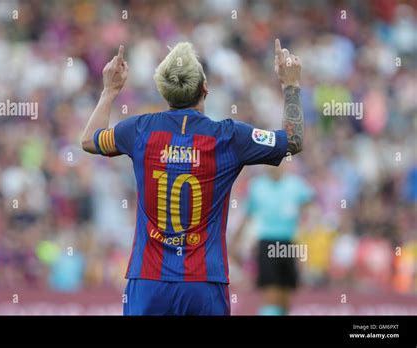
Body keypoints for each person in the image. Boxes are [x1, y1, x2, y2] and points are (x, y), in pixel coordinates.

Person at [80, 39, 304, 315]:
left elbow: (89, 140)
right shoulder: (230, 137)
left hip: (148, 281)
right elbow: (293, 140)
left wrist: (110, 90)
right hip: (204, 283)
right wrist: (290, 85)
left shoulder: (140, 130)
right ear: (205, 88)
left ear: (165, 94)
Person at [232, 164, 314, 315]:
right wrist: (235, 241)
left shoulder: (296, 184)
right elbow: (247, 215)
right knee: (271, 294)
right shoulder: (257, 186)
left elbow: (309, 207)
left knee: (285, 297)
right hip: (267, 243)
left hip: (288, 244)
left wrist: (306, 225)